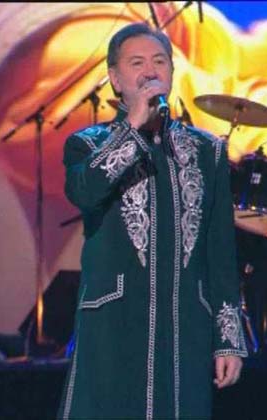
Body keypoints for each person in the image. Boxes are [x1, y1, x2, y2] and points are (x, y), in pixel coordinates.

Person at [57, 23, 247, 420]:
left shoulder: (206, 150)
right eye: (137, 63)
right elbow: (85, 191)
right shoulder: (87, 143)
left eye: (159, 62)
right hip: (114, 324)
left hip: (186, 325)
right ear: (115, 78)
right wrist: (132, 129)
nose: (150, 71)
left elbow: (221, 253)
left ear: (172, 72)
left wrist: (228, 340)